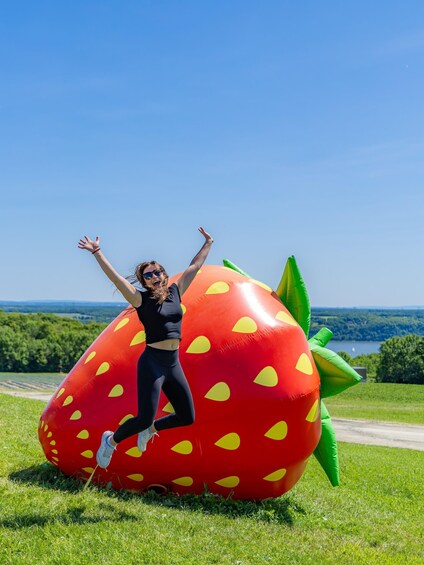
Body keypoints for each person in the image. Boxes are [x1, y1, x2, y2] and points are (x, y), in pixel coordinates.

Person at [78, 227, 214, 468]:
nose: (155, 276)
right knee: (143, 418)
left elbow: (195, 266)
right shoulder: (139, 299)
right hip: (152, 363)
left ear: (164, 274)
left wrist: (208, 243)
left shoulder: (176, 291)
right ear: (143, 281)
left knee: (187, 416)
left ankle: (151, 429)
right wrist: (97, 252)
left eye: (157, 271)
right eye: (149, 275)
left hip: (173, 363)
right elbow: (116, 279)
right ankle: (111, 441)